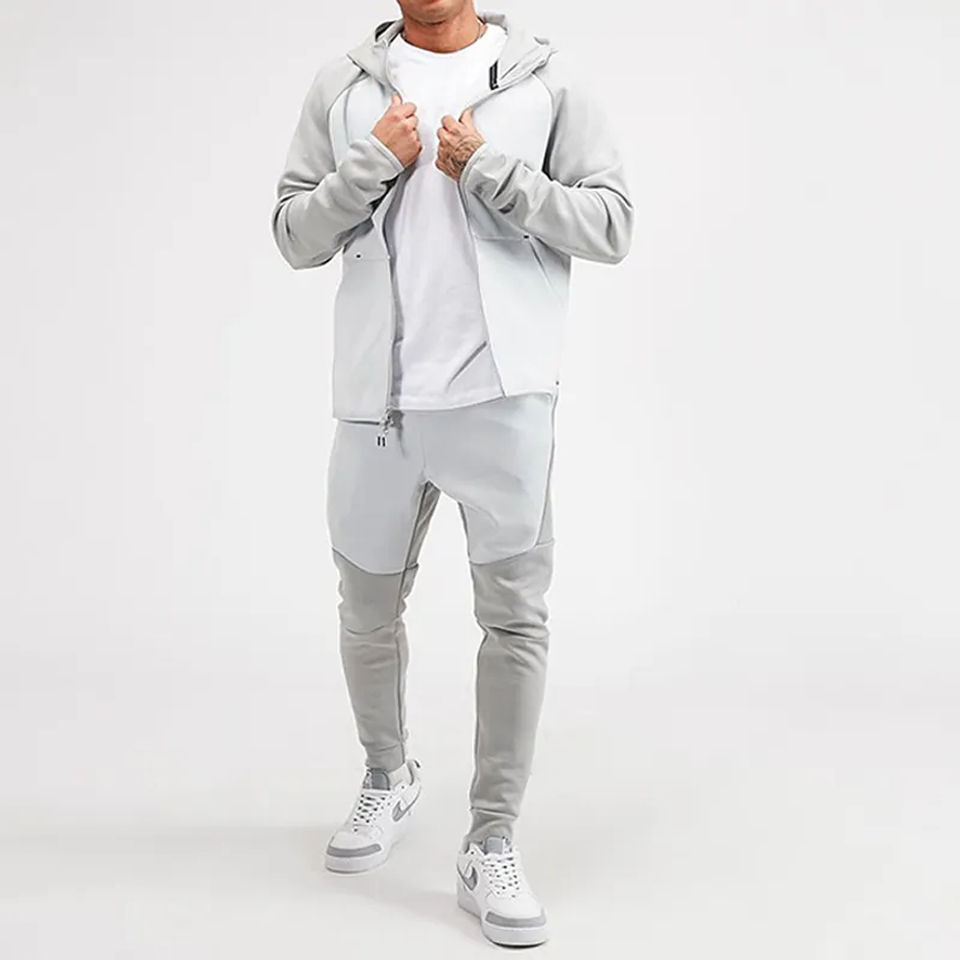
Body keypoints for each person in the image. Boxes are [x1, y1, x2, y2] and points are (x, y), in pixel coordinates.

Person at [271, 2, 632, 946]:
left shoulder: (546, 80)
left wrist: (491, 170)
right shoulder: (343, 87)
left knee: (513, 621)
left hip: (501, 402)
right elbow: (294, 234)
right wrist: (371, 163)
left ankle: (492, 839)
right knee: (365, 611)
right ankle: (387, 775)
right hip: (377, 407)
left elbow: (611, 224)